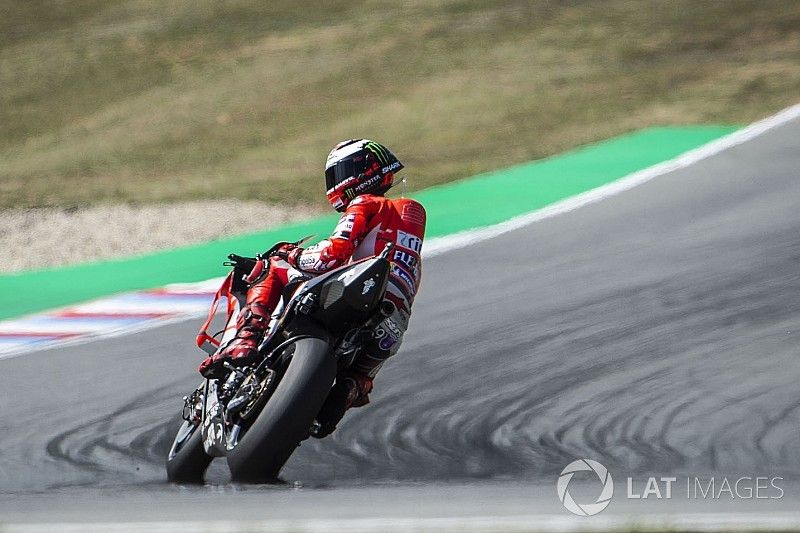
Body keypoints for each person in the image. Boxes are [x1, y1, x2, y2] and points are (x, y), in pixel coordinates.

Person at [198, 139, 426, 437]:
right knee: (358, 377)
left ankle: (247, 339)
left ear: (355, 174)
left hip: (353, 292)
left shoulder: (366, 203)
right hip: (394, 321)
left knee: (275, 268)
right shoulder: (414, 215)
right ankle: (341, 397)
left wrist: (288, 254)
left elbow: (332, 255)